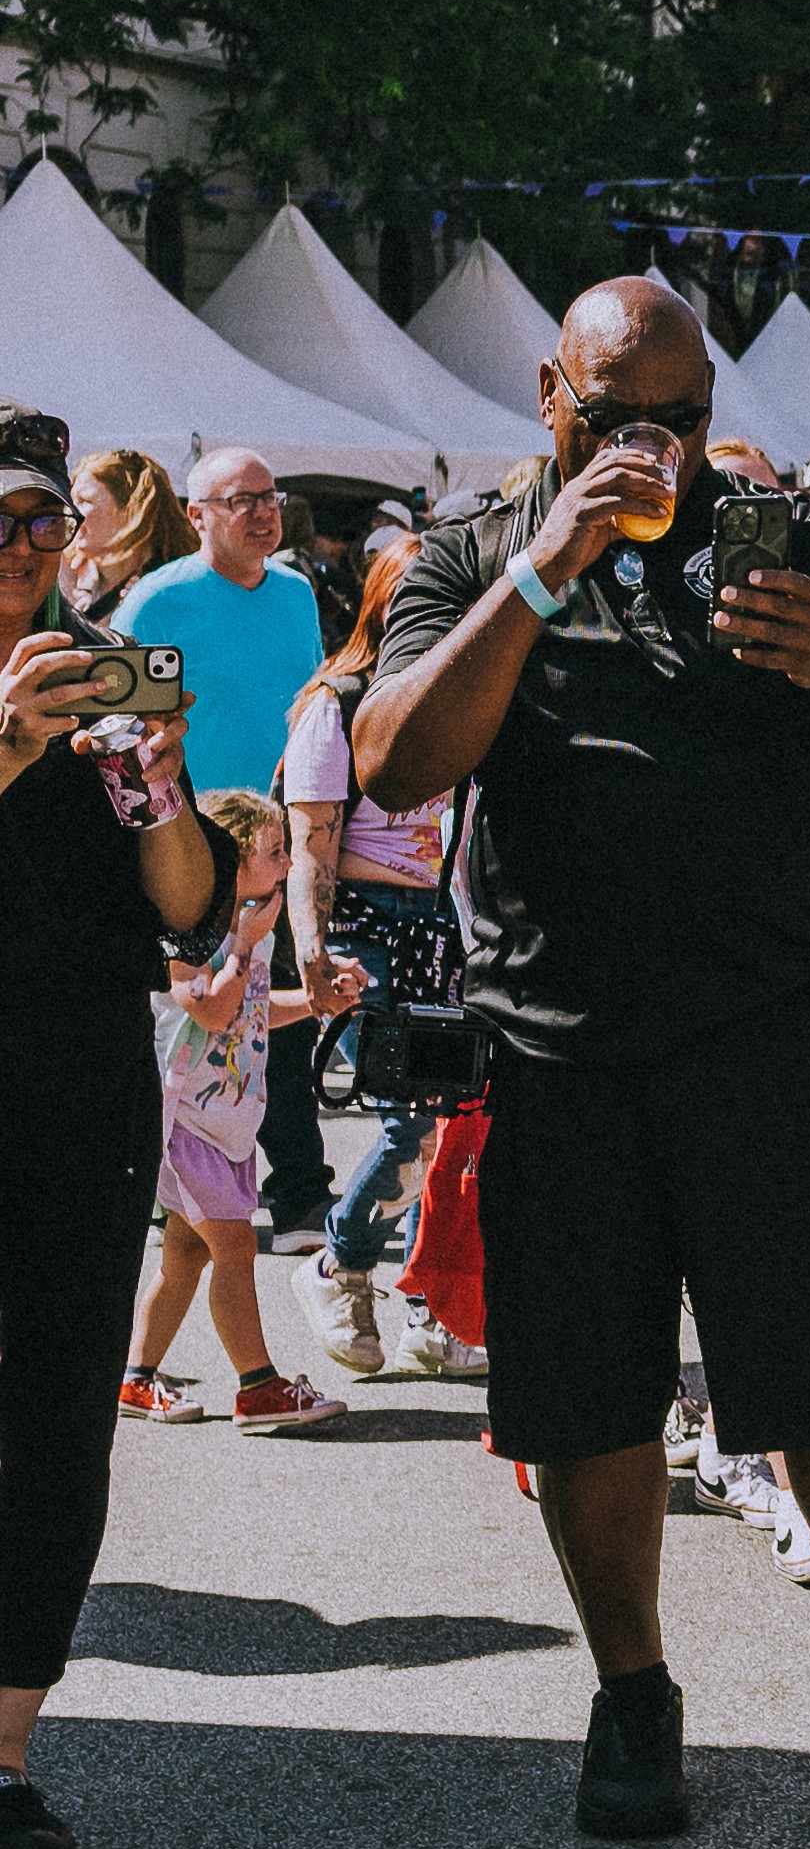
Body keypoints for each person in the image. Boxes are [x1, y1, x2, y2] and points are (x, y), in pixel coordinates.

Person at [354, 272, 810, 1849]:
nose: (655, 445)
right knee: (585, 1397)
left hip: (769, 1036)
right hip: (560, 1043)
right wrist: (547, 570)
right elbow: (399, 757)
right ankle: (633, 1692)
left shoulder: (789, 536)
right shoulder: (476, 549)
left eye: (684, 417)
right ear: (551, 396)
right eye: (618, 415)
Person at [0, 408, 224, 1849]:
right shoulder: (34, 699)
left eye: (39, 522)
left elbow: (191, 903)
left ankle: (6, 1748)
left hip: (78, 1073)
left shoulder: (100, 672)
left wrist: (157, 775)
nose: (27, 546)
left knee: (60, 1402)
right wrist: (12, 735)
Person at [116, 447, 333, 1241]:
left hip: (271, 836)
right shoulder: (155, 600)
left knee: (277, 1004)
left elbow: (310, 707)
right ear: (198, 513)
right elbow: (120, 718)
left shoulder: (298, 593)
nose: (262, 511)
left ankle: (302, 1186)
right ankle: (160, 1169)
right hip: (189, 839)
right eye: (241, 499)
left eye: (270, 497)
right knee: (185, 1010)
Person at [283, 537, 480, 1384]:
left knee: (447, 1115)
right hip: (364, 921)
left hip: (440, 922)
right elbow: (310, 843)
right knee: (411, 1118)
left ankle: (420, 1302)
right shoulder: (340, 701)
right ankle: (341, 1262)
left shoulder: (465, 701)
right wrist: (312, 949)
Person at [123, 787, 351, 1432]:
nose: (286, 865)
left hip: (226, 1122)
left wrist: (318, 1002)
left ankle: (137, 1378)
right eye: (273, 853)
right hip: (184, 1119)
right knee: (234, 1246)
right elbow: (213, 1007)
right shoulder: (188, 934)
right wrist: (247, 942)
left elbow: (252, 1014)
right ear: (228, 859)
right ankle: (259, 1387)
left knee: (186, 1257)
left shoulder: (247, 930)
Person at [63, 445, 185, 618]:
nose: (69, 512)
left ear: (130, 509)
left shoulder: (172, 589)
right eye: (71, 501)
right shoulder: (70, 581)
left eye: (84, 501)